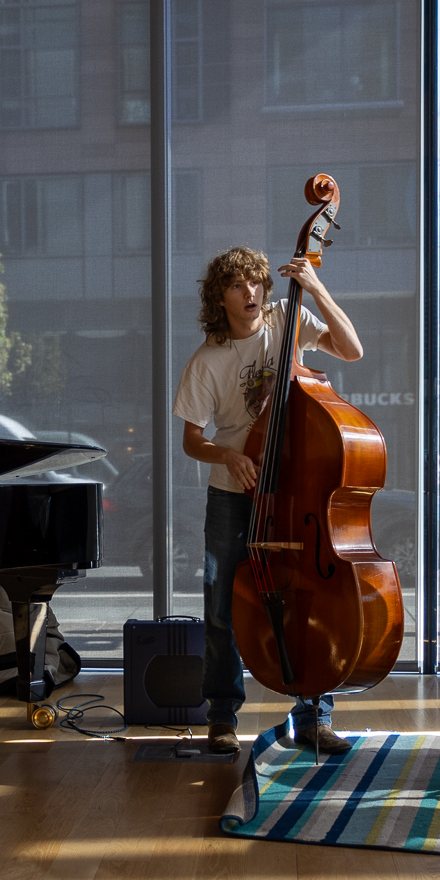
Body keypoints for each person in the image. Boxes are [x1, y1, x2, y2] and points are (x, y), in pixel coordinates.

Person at [173, 246, 364, 755]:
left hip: (296, 489)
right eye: (237, 285)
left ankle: (314, 717)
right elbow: (192, 440)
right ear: (220, 297)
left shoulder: (287, 319)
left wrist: (316, 288)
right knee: (222, 606)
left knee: (308, 598)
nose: (251, 292)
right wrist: (227, 455)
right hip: (233, 494)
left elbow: (351, 350)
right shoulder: (207, 360)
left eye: (256, 281)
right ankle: (221, 717)